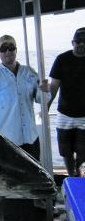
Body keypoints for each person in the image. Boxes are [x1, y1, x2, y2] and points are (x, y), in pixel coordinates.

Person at [0, 35, 50, 161]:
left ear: (16, 50)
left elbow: (41, 99)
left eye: (11, 48)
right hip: (8, 143)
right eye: (3, 49)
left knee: (33, 177)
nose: (8, 52)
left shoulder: (29, 73)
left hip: (31, 139)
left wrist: (45, 90)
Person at [48, 27, 85, 177]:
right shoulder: (62, 59)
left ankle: (77, 169)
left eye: (84, 42)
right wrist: (45, 108)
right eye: (78, 41)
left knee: (83, 150)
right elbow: (53, 87)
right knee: (65, 151)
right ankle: (72, 174)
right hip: (64, 114)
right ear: (72, 42)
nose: (81, 44)